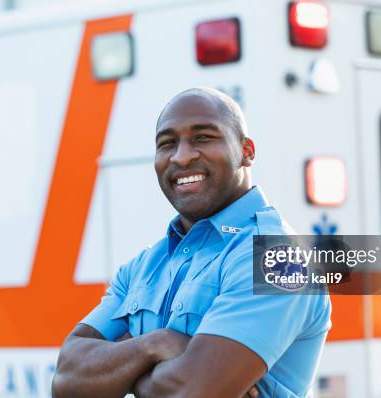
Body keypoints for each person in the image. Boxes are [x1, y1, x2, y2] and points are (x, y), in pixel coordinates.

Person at [51, 87, 331, 398]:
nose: (182, 156)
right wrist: (155, 344)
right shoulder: (144, 266)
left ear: (246, 151)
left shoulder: (278, 257)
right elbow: (66, 380)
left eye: (203, 138)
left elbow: (193, 391)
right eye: (167, 143)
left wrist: (121, 370)